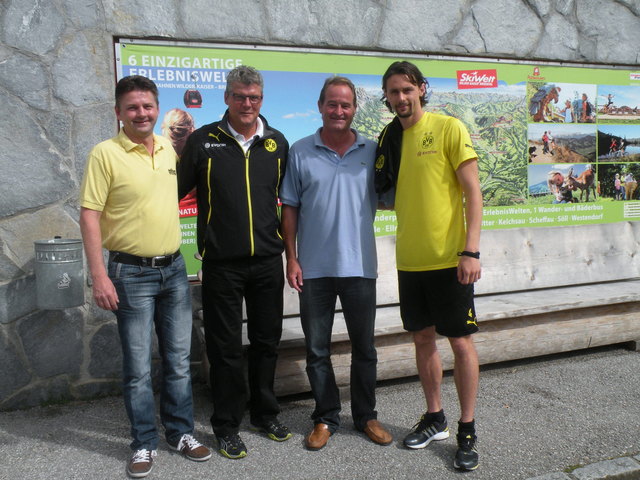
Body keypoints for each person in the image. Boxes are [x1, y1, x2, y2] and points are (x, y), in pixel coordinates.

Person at [79, 75, 211, 479]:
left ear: (157, 109)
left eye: (147, 106)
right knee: (138, 369)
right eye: (132, 107)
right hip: (129, 273)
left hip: (173, 269)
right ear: (118, 112)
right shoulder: (104, 154)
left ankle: (180, 432)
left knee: (179, 361)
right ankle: (143, 442)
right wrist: (98, 275)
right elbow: (89, 214)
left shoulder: (168, 149)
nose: (141, 113)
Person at [178, 65, 290, 460]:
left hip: (267, 262)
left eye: (253, 97)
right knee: (224, 348)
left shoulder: (276, 142)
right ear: (227, 98)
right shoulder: (203, 141)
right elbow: (174, 192)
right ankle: (226, 425)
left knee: (266, 342)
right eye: (239, 96)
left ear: (261, 99)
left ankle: (264, 414)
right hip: (222, 265)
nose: (246, 103)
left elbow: (289, 201)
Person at [375, 61, 483, 471]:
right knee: (422, 339)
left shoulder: (448, 128)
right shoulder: (389, 138)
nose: (401, 98)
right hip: (411, 261)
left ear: (421, 88)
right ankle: (435, 417)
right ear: (386, 98)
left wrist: (471, 251)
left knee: (460, 342)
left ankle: (467, 429)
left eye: (407, 89)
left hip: (450, 260)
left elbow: (473, 192)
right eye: (393, 92)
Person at [280, 76, 392, 451]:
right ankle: (325, 417)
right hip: (313, 269)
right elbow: (290, 207)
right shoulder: (300, 151)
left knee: (365, 349)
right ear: (320, 106)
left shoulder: (371, 150)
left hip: (360, 266)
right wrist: (291, 257)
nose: (339, 111)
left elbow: (394, 194)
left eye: (345, 105)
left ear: (354, 109)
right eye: (332, 104)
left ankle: (366, 416)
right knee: (317, 351)